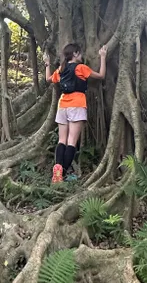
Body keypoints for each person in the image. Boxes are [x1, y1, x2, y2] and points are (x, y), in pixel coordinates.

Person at [43, 42, 107, 183]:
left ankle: (57, 170)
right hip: (77, 104)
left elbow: (48, 80)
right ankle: (62, 174)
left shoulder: (61, 69)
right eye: (80, 53)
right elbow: (101, 76)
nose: (82, 55)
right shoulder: (81, 68)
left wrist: (47, 64)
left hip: (62, 105)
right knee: (71, 141)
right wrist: (102, 56)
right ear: (76, 54)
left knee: (62, 140)